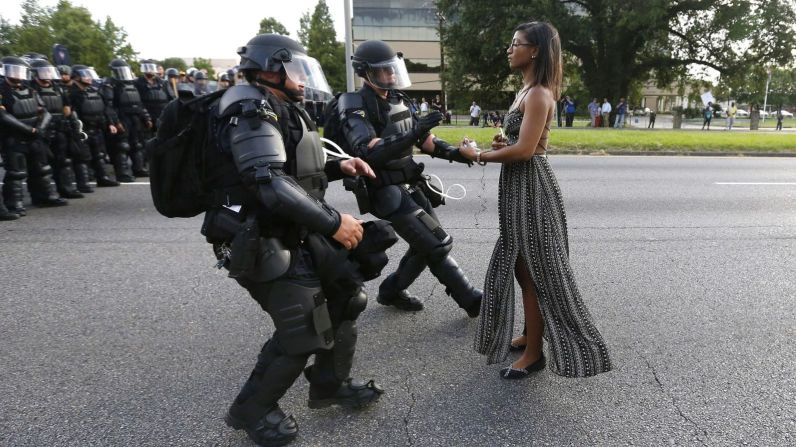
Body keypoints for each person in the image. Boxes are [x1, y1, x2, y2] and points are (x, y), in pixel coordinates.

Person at [206, 34, 385, 447]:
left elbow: (295, 167)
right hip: (258, 235)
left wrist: (342, 166)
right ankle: (251, 410)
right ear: (270, 68)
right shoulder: (249, 107)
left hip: (291, 228)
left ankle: (328, 384)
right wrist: (332, 222)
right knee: (303, 329)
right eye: (296, 70)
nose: (304, 79)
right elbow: (268, 182)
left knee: (346, 297)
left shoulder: (278, 106)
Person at [457, 21, 612, 380]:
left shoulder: (540, 93)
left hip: (532, 189)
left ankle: (534, 354)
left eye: (516, 43)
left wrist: (477, 154)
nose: (510, 49)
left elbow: (526, 151)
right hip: (518, 187)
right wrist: (501, 144)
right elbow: (519, 143)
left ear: (535, 50)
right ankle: (530, 334)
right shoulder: (525, 91)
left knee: (535, 273)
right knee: (520, 266)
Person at [333, 39, 483, 316]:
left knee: (425, 244)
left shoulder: (399, 100)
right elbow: (367, 151)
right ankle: (472, 300)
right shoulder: (354, 103)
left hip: (410, 183)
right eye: (384, 71)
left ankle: (391, 291)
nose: (391, 75)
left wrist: (459, 154)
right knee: (436, 244)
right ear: (365, 72)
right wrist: (414, 133)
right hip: (383, 189)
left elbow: (426, 141)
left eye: (393, 69)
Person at [1, 56, 68, 214]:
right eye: (14, 70)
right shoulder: (2, 90)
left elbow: (45, 111)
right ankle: (14, 203)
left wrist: (40, 128)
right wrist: (28, 130)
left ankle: (44, 197)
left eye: (20, 71)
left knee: (42, 168)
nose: (17, 75)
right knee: (16, 172)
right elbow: (3, 116)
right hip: (14, 137)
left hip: (35, 135)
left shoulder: (30, 89)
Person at [28, 58, 84, 199]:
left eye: (48, 71)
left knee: (62, 160)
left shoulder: (58, 87)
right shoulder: (31, 89)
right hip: (40, 130)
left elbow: (67, 108)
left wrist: (72, 123)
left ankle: (66, 189)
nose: (47, 75)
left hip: (59, 128)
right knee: (40, 165)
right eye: (43, 72)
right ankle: (41, 195)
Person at [68, 65, 121, 188]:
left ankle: (103, 178)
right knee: (82, 157)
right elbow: (70, 113)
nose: (89, 78)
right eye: (85, 75)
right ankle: (83, 183)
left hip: (97, 128)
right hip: (83, 130)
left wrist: (110, 123)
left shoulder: (94, 91)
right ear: (76, 77)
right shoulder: (72, 93)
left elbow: (104, 109)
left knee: (99, 155)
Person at [104, 59, 152, 179]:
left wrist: (146, 118)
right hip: (122, 116)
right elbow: (109, 106)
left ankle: (138, 168)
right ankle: (123, 173)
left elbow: (139, 103)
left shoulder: (132, 84)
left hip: (135, 117)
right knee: (122, 146)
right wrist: (115, 122)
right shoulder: (110, 84)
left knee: (137, 144)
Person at [134, 60, 170, 128]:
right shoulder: (137, 83)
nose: (149, 71)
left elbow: (171, 98)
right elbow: (138, 101)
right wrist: (146, 117)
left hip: (162, 116)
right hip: (146, 117)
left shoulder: (163, 82)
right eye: (147, 68)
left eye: (151, 68)